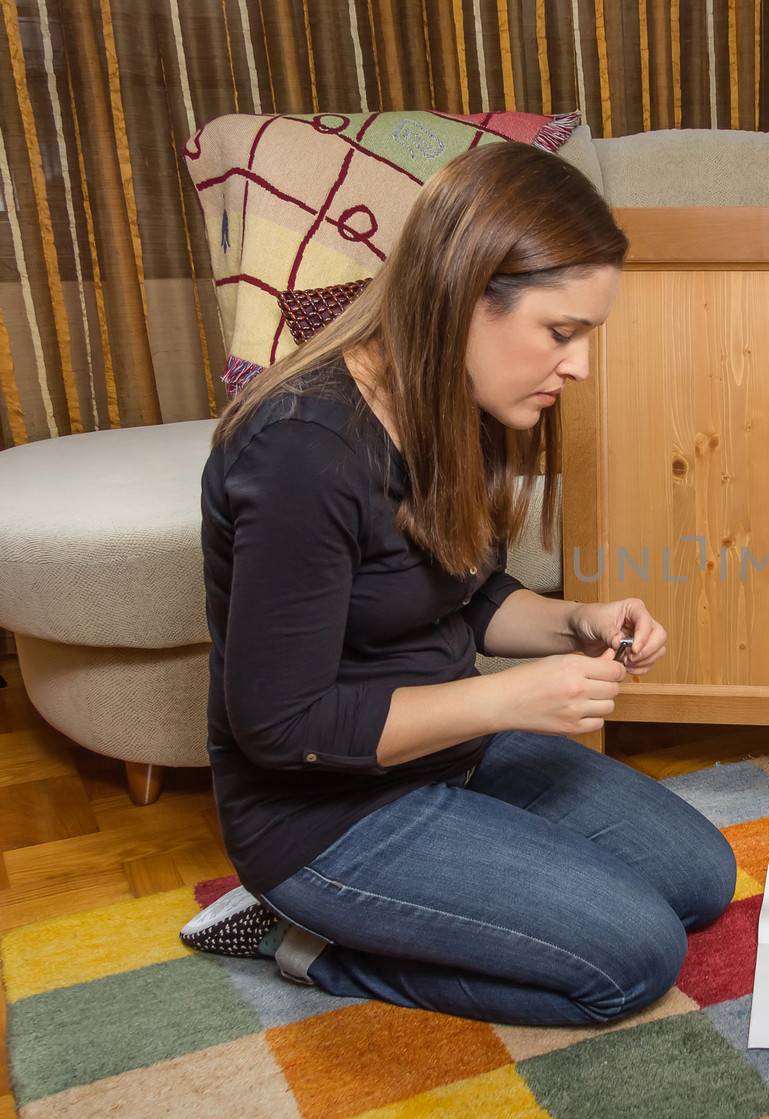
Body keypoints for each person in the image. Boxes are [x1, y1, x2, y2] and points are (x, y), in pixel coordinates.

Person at [180, 141, 736, 1027]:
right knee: (635, 960)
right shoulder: (302, 451)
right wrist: (508, 701)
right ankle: (302, 938)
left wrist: (579, 623)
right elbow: (279, 727)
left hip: (443, 756)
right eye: (562, 333)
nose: (581, 366)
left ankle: (466, 885)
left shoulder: (454, 405)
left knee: (701, 880)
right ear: (468, 296)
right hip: (320, 818)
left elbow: (467, 595)